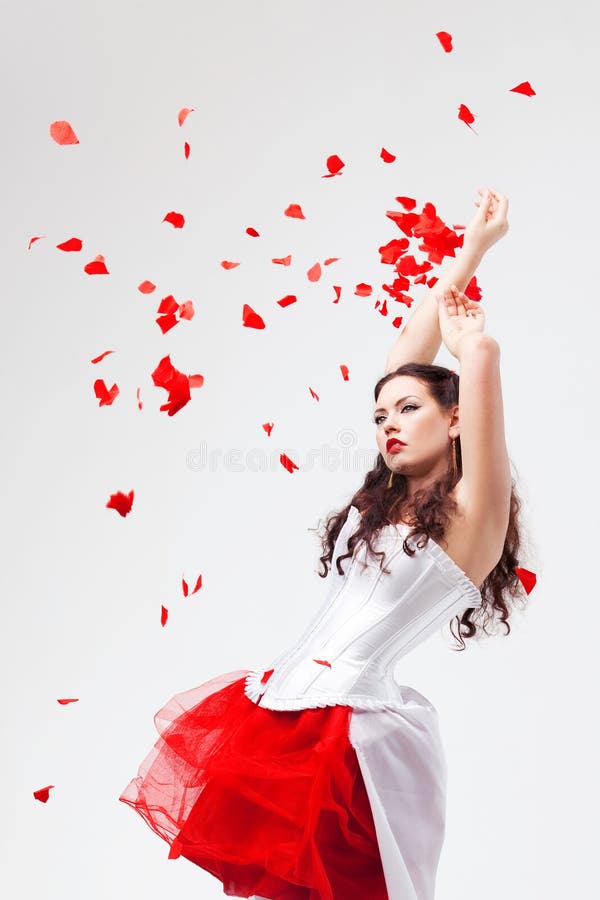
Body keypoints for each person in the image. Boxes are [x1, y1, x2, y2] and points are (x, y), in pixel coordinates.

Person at [119, 187, 527, 900]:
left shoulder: (473, 519)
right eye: (378, 415)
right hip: (278, 714)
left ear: (456, 418)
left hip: (358, 743)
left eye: (409, 409)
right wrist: (471, 251)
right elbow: (408, 350)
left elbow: (477, 373)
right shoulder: (392, 501)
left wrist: (476, 347)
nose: (388, 423)